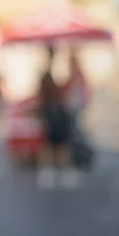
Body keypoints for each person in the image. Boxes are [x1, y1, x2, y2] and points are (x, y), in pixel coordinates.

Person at [36, 47, 75, 188]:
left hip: (52, 111)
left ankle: (54, 171)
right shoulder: (47, 75)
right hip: (52, 112)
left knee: (55, 144)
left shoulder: (50, 74)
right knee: (55, 144)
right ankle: (52, 171)